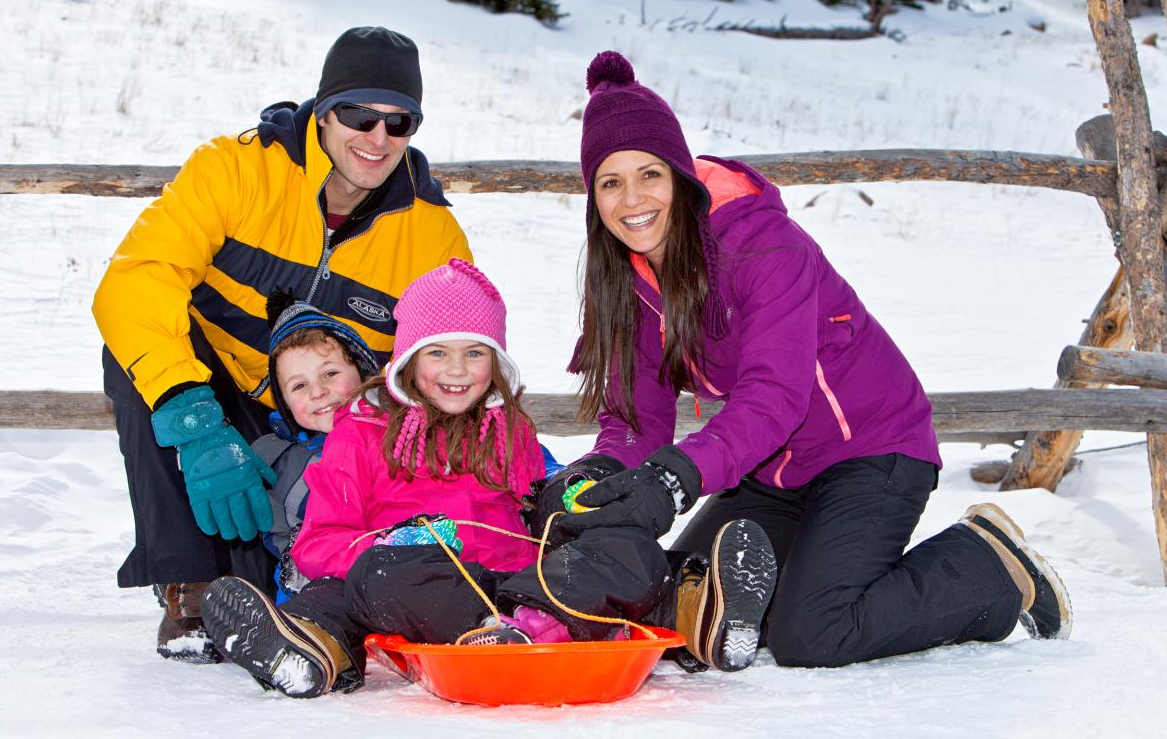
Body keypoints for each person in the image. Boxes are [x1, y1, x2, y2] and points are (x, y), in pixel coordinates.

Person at [546, 50, 1073, 670]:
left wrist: (675, 476)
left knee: (813, 632)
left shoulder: (761, 244)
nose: (632, 199)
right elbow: (638, 417)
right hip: (771, 468)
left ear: (680, 176)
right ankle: (774, 591)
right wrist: (600, 470)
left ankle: (986, 568)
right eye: (610, 182)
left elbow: (774, 396)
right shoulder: (630, 278)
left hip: (873, 451)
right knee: (671, 592)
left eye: (649, 174)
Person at [200, 260, 771, 699]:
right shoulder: (362, 433)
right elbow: (319, 543)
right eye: (437, 353)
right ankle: (312, 652)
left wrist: (570, 496)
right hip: (423, 589)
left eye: (474, 352)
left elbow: (540, 503)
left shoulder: (508, 428)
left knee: (628, 550)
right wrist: (393, 544)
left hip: (526, 586)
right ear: (405, 361)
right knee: (360, 584)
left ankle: (699, 613)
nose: (455, 371)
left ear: (495, 361)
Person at [92, 26, 473, 663]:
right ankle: (191, 582)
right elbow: (136, 280)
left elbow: (452, 351)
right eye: (360, 114)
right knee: (134, 357)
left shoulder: (431, 232)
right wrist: (195, 422)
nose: (377, 138)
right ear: (324, 109)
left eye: (399, 121)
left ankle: (298, 585)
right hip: (212, 386)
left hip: (327, 415)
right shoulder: (237, 169)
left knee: (267, 569)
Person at [254, 292, 381, 603]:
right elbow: (289, 546)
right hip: (320, 583)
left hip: (396, 568)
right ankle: (297, 635)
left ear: (362, 373)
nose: (319, 392)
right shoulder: (282, 461)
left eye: (330, 374)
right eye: (299, 386)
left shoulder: (399, 437)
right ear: (284, 402)